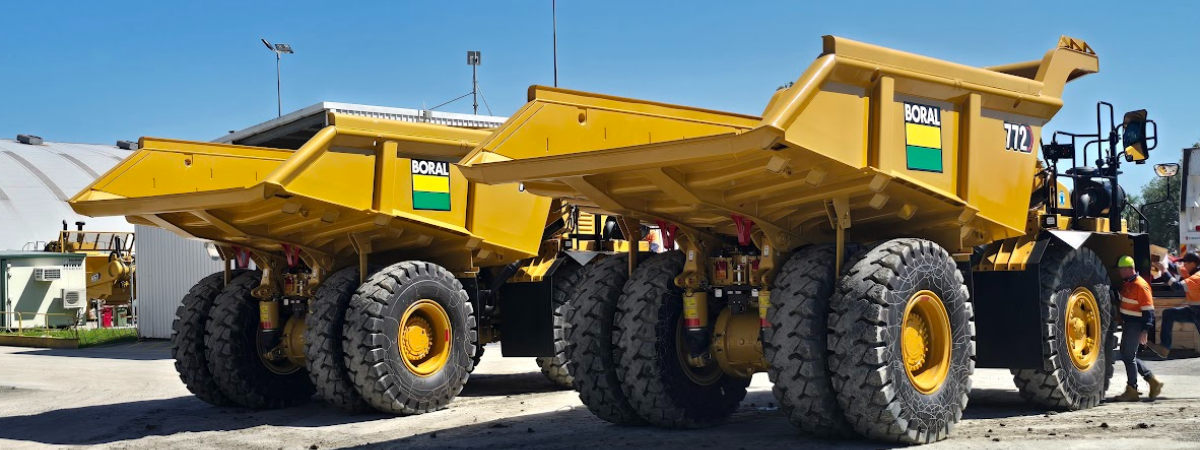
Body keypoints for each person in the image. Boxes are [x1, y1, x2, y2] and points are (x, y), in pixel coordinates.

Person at [1113, 255, 1165, 401]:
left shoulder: (1140, 285)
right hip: (1129, 324)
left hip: (1136, 325)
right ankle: (1152, 382)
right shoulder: (1128, 283)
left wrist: (1145, 331)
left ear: (1128, 269)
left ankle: (1132, 389)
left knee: (1128, 356)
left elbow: (1149, 310)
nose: (1119, 273)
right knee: (1128, 355)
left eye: (1121, 270)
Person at [1147, 252, 1200, 359]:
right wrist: (1158, 262)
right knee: (1169, 314)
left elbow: (1177, 286)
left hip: (1198, 312)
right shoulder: (1191, 271)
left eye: (1185, 262)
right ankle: (1164, 348)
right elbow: (1174, 268)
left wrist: (1164, 271)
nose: (1183, 264)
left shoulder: (1196, 278)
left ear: (1193, 264)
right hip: (1194, 311)